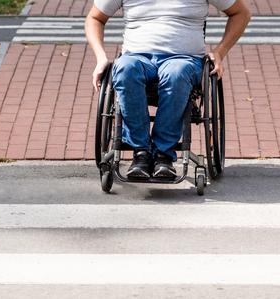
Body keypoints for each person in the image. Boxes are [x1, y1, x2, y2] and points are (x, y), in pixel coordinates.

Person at [85, 0, 251, 179]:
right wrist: (101, 57)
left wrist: (220, 52)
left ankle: (163, 154)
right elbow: (95, 18)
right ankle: (141, 152)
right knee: (125, 70)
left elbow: (241, 13)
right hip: (136, 57)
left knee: (176, 73)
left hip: (183, 59)